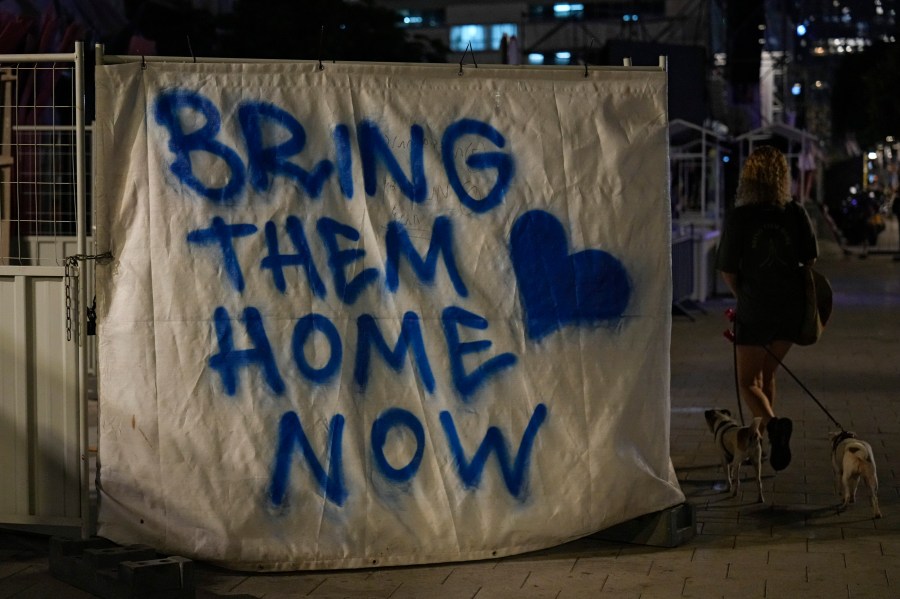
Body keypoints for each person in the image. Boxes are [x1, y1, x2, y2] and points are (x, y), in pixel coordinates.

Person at [715, 146, 819, 471]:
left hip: (756, 307)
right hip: (791, 307)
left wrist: (743, 294)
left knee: (748, 382)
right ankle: (762, 444)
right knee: (768, 374)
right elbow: (810, 258)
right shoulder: (795, 211)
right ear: (781, 177)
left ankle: (772, 428)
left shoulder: (740, 217)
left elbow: (728, 269)